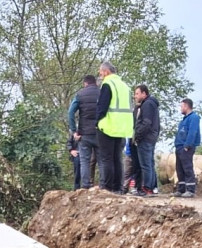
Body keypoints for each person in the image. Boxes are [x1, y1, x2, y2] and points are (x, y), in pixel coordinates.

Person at [95, 61, 134, 193]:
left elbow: (102, 106)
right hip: (123, 127)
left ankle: (108, 187)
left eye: (100, 72)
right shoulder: (125, 86)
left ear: (106, 71)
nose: (100, 75)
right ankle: (118, 188)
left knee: (106, 158)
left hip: (108, 126)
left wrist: (97, 122)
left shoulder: (107, 84)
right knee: (117, 158)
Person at [67, 75, 100, 189]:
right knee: (102, 160)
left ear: (85, 83)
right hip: (100, 132)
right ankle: (104, 186)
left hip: (85, 134)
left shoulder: (80, 94)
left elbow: (70, 112)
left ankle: (85, 186)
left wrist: (74, 130)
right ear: (95, 83)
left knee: (85, 160)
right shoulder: (102, 93)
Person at [133, 84, 161, 196]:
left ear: (144, 93)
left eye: (137, 93)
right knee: (149, 163)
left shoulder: (147, 105)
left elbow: (147, 123)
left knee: (145, 164)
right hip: (151, 137)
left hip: (146, 138)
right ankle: (151, 187)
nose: (135, 96)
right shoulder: (151, 104)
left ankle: (146, 188)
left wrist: (138, 135)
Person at [173, 98, 201, 197]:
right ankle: (181, 189)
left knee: (187, 167)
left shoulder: (194, 117)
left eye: (181, 106)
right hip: (179, 147)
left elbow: (192, 132)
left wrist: (188, 145)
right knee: (179, 168)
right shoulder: (183, 120)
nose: (181, 108)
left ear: (186, 106)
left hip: (186, 147)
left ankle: (190, 190)